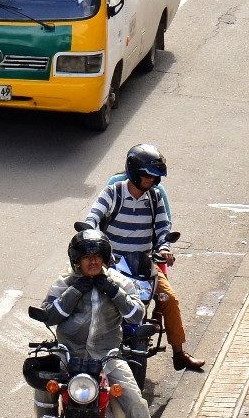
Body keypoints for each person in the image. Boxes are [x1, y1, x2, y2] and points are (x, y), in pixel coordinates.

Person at [34, 228, 167, 418]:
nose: (92, 261)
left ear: (106, 258)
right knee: (43, 389)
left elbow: (136, 316)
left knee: (135, 400)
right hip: (68, 353)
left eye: (97, 256)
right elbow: (50, 315)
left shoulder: (120, 282)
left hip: (107, 356)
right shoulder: (63, 283)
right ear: (76, 260)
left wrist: (113, 291)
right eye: (86, 256)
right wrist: (76, 291)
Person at [83, 143, 206, 372]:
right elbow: (93, 217)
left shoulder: (155, 197)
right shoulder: (114, 192)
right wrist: (91, 234)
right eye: (147, 175)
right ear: (134, 171)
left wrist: (165, 247)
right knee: (88, 295)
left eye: (154, 176)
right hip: (113, 264)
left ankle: (179, 354)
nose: (151, 180)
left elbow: (163, 228)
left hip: (143, 263)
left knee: (169, 300)